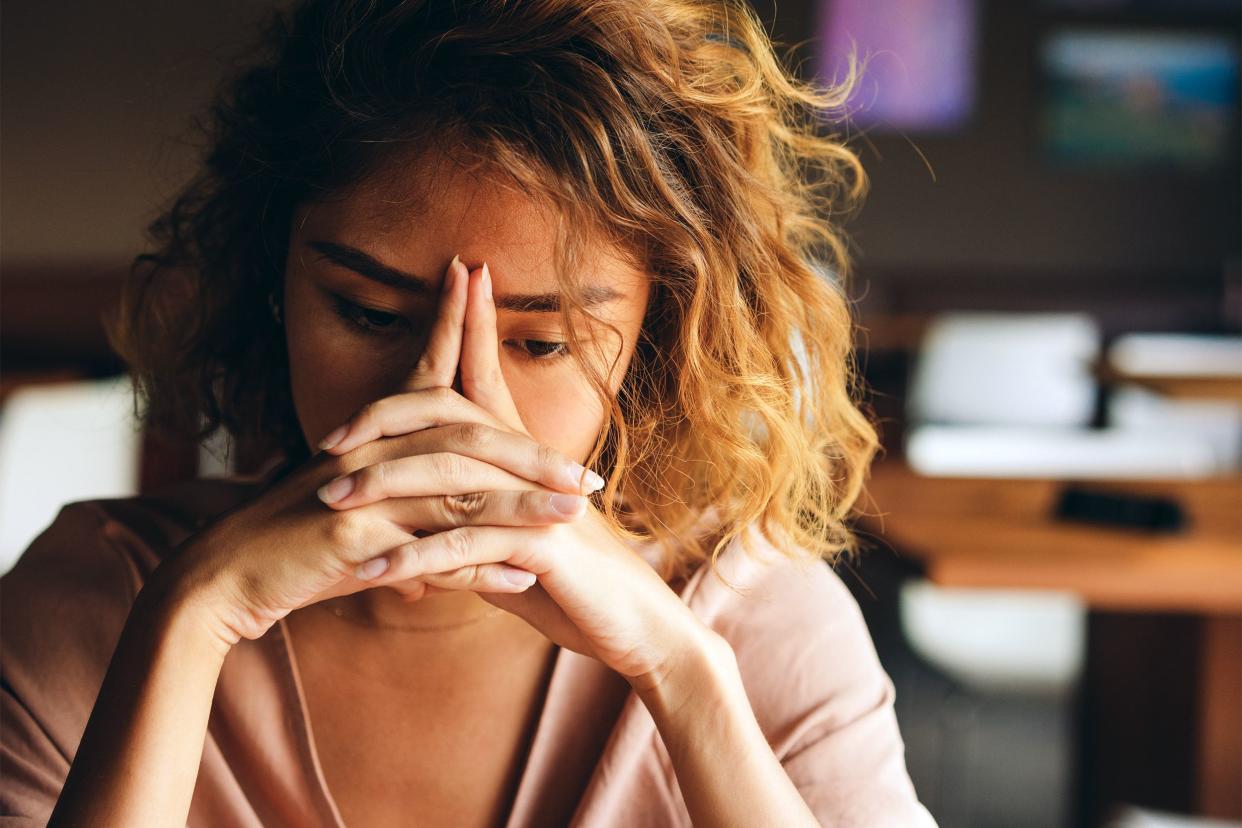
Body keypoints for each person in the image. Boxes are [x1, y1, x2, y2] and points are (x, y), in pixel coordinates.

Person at [0, 0, 936, 825]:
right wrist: (194, 619)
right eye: (367, 314)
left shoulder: (754, 626)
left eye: (542, 342)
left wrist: (685, 682)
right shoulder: (98, 603)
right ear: (272, 281)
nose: (444, 405)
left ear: (656, 338)